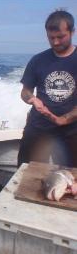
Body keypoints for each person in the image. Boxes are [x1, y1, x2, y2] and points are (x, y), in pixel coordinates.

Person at [17, 10, 77, 168]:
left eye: (61, 37)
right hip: (38, 127)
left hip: (71, 131)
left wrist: (63, 120)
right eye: (51, 38)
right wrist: (32, 99)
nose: (55, 42)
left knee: (70, 178)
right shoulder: (38, 60)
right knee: (26, 173)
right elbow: (25, 91)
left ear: (72, 32)